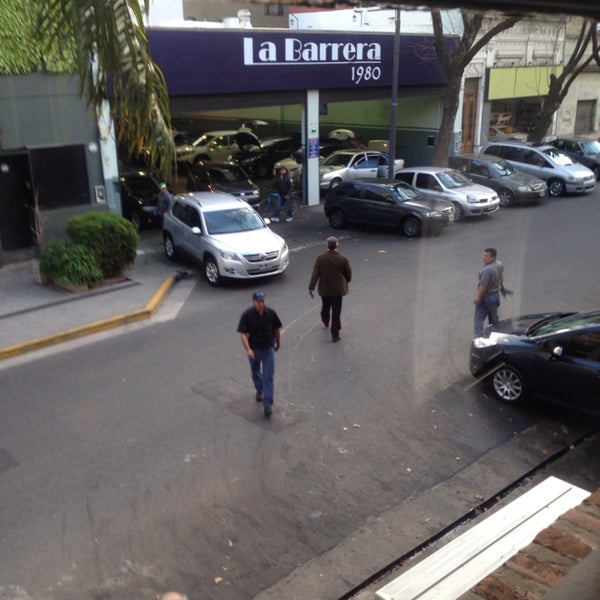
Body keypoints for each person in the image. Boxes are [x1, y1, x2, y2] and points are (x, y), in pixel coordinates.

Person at [237, 290, 282, 418]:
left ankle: (267, 403)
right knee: (255, 371)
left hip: (268, 349)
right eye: (259, 301)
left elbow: (276, 329)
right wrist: (248, 349)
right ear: (254, 302)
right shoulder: (247, 316)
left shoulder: (271, 314)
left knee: (268, 376)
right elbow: (243, 334)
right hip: (254, 350)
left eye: (263, 301)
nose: (262, 304)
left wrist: (278, 343)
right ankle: (259, 388)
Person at [308, 236, 352, 343]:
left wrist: (311, 287)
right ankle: (335, 334)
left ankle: (325, 319)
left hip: (325, 289)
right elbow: (348, 274)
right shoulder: (342, 258)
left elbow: (315, 274)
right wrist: (345, 281)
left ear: (327, 245)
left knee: (325, 306)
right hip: (337, 290)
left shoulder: (320, 258)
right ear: (337, 245)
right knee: (336, 312)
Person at [473, 247, 505, 335]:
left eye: (486, 256)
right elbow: (501, 277)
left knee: (479, 318)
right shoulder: (499, 264)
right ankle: (496, 333)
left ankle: (479, 338)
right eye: (484, 255)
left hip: (486, 297)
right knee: (493, 315)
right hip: (495, 296)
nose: (484, 257)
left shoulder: (486, 270)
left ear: (493, 257)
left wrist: (478, 297)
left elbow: (483, 286)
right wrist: (502, 287)